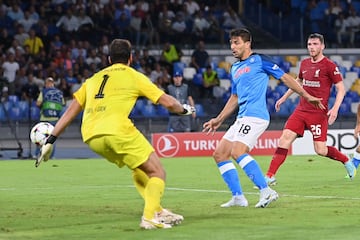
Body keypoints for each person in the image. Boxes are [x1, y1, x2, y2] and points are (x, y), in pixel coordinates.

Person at [35, 39, 196, 230]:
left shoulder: (93, 79)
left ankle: (157, 209)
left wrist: (51, 139)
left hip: (92, 136)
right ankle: (149, 217)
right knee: (158, 172)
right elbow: (168, 102)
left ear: (109, 59)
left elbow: (71, 110)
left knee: (140, 168)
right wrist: (184, 110)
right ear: (130, 58)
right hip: (117, 130)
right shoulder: (133, 75)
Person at [202, 28, 324, 208]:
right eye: (231, 43)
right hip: (242, 118)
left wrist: (306, 95)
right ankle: (238, 197)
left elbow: (285, 78)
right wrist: (219, 119)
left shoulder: (260, 60)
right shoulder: (235, 67)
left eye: (236, 42)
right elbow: (234, 97)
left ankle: (266, 191)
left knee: (238, 151)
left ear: (247, 43)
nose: (232, 46)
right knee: (220, 154)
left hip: (256, 116)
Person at [264, 33, 356, 185]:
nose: (312, 47)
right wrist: (284, 97)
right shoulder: (305, 63)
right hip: (301, 110)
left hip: (318, 113)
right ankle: (270, 176)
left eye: (315, 44)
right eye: (309, 44)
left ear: (322, 46)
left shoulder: (329, 65)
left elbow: (341, 88)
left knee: (320, 150)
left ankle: (346, 159)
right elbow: (298, 82)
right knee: (285, 138)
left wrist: (335, 108)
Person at [35, 77, 65, 158]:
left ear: (46, 84)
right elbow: (62, 104)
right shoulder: (59, 93)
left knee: (39, 137)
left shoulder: (44, 92)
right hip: (55, 119)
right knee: (53, 138)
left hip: (44, 118)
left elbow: (38, 103)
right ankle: (51, 156)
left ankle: (38, 154)